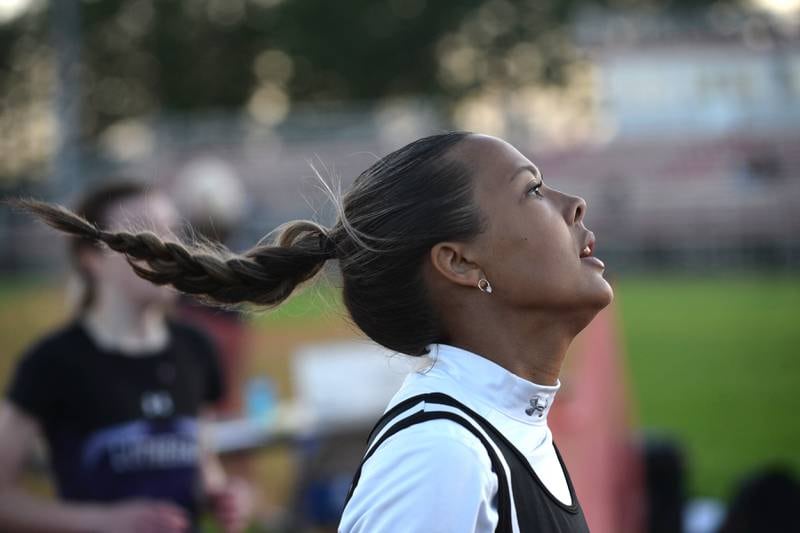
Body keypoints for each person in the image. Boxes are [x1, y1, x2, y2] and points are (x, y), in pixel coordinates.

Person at [14, 132, 613, 532]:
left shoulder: (503, 430)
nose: (574, 203)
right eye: (532, 190)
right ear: (459, 263)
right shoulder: (444, 457)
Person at [1, 182, 253, 533]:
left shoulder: (196, 348)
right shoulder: (52, 362)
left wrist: (219, 494)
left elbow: (198, 461)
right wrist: (103, 522)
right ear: (90, 257)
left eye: (172, 231)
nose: (167, 247)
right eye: (143, 234)